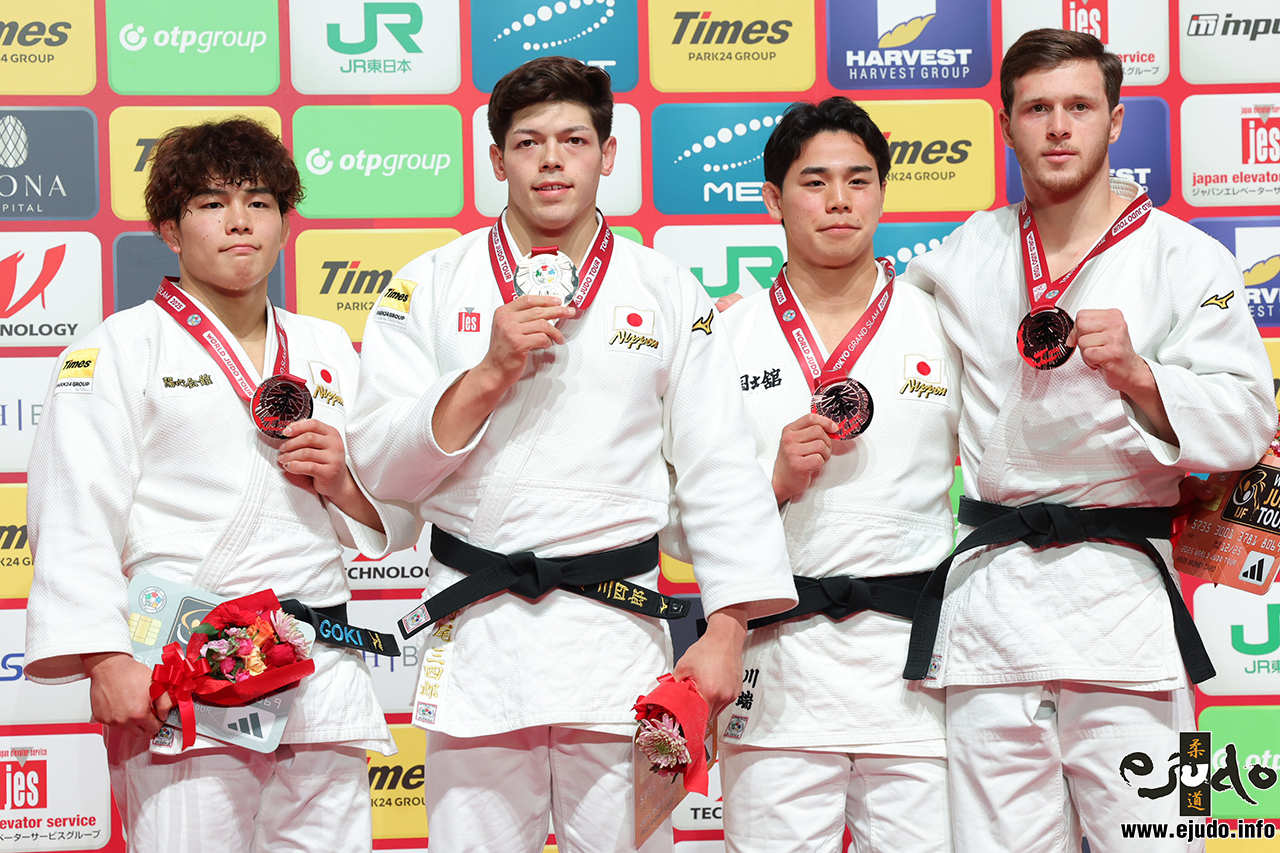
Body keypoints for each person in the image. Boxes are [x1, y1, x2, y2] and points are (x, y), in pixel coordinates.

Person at [347, 56, 796, 853]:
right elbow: (384, 469)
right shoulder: (428, 285)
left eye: (573, 139)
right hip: (478, 634)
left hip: (617, 641)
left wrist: (726, 627)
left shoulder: (666, 290)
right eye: (528, 143)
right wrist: (486, 375)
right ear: (496, 160)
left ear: (609, 155)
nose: (552, 159)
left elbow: (718, 467)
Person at [898, 29, 1277, 852]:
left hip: (1128, 613)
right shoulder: (967, 253)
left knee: (1161, 841)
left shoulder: (1189, 258)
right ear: (1006, 127)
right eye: (1037, 108)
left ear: (1116, 120)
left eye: (1078, 106)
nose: (1059, 126)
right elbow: (890, 358)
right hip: (994, 608)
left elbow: (1249, 421)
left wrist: (1142, 374)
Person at [23, 118, 418, 853]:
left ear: (283, 221)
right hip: (185, 667)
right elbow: (74, 510)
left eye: (260, 201)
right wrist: (106, 658)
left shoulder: (328, 345)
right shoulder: (115, 348)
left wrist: (342, 479)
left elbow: (390, 511)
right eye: (211, 203)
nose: (240, 220)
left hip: (319, 664)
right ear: (170, 230)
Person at [704, 97, 956, 853]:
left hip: (914, 673)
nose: (840, 200)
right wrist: (771, 482)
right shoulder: (724, 334)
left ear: (883, 190)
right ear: (775, 199)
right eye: (815, 182)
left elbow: (1002, 475)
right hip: (776, 668)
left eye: (860, 179)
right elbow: (684, 517)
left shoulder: (942, 325)